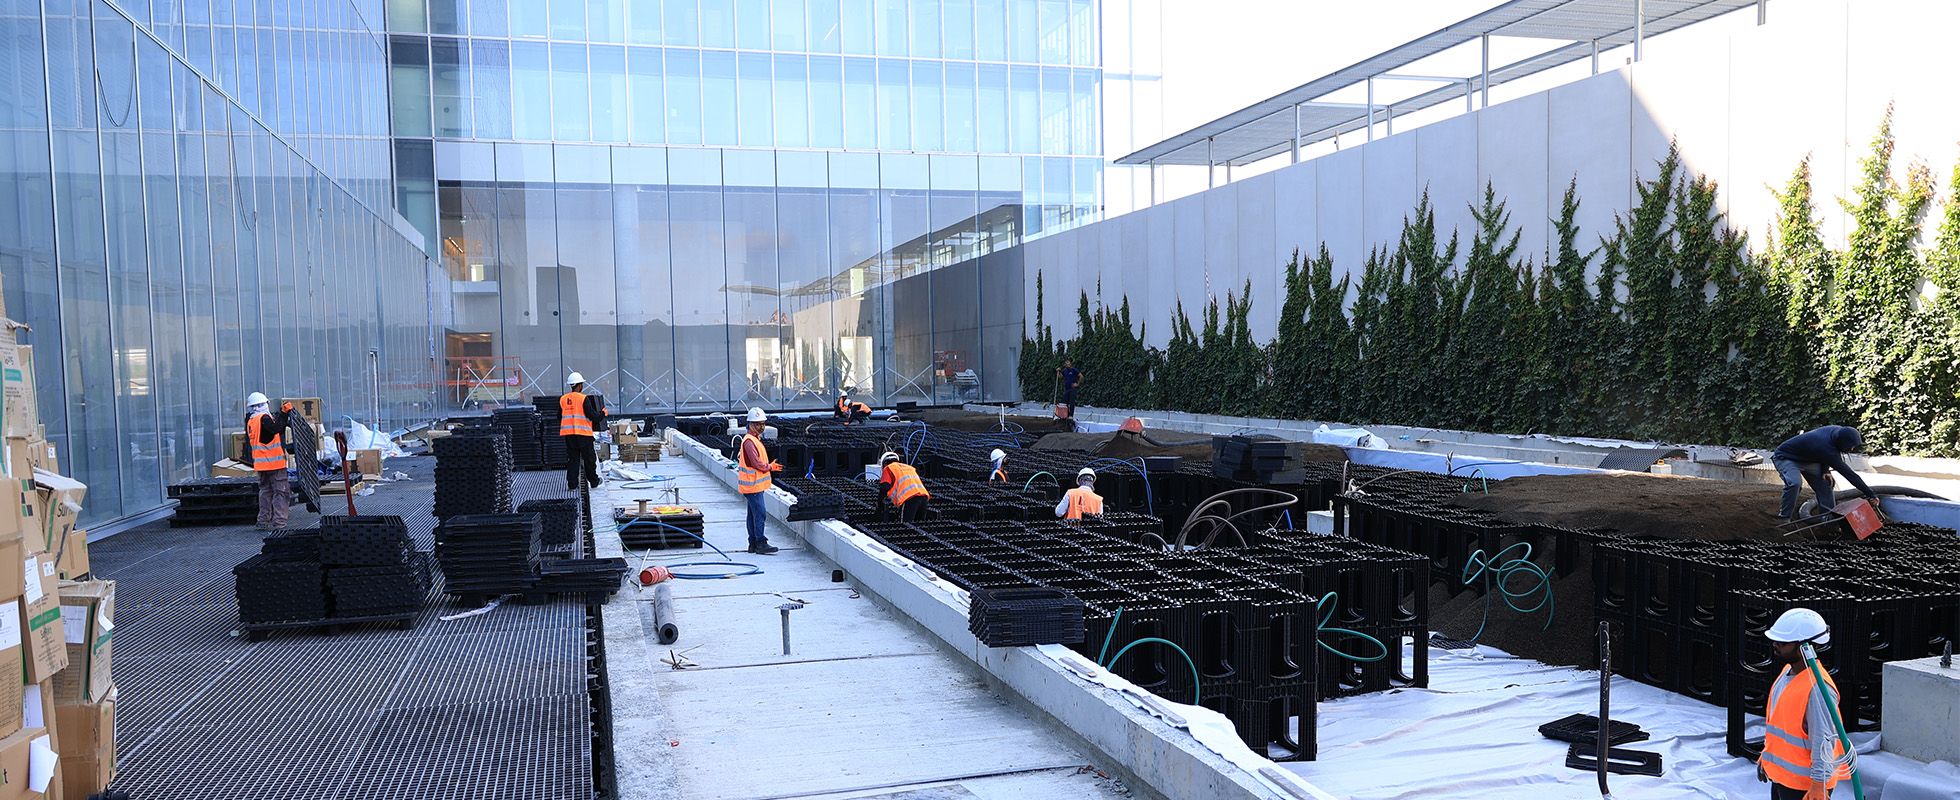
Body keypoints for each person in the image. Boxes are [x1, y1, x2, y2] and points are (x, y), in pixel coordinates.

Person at [1757, 608, 1852, 800]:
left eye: (1782, 642)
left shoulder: (1818, 690)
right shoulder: (1787, 673)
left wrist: (1819, 785)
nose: (1775, 645)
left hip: (1804, 786)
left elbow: (1824, 741)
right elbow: (1780, 727)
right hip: (1783, 779)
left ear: (1804, 647)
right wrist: (1767, 756)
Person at [1771, 426, 1877, 520]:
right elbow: (1849, 475)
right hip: (1786, 457)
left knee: (1826, 482)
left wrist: (1825, 470)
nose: (1852, 449)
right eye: (1850, 446)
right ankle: (1784, 517)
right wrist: (1871, 494)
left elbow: (1825, 452)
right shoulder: (1826, 446)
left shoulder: (1837, 433)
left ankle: (1827, 519)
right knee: (1795, 483)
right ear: (1841, 441)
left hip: (1810, 459)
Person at [245, 392, 296, 530]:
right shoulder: (264, 418)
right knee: (281, 492)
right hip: (274, 464)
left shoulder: (251, 421)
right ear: (264, 404)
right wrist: (284, 413)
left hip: (261, 464)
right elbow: (275, 429)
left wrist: (281, 419)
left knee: (265, 491)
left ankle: (263, 520)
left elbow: (271, 434)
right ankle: (279, 523)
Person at [737, 407, 783, 554]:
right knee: (760, 513)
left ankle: (753, 543)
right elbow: (756, 463)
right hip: (753, 486)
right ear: (750, 425)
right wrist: (771, 467)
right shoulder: (750, 442)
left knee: (752, 514)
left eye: (763, 424)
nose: (761, 427)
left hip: (753, 486)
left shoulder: (754, 440)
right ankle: (760, 542)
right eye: (758, 424)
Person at [560, 372, 607, 492]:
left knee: (573, 460)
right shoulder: (583, 398)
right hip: (584, 434)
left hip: (569, 435)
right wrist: (602, 414)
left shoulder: (563, 399)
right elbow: (592, 415)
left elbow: (559, 416)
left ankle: (572, 485)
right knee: (589, 459)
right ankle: (594, 481)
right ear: (580, 385)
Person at [878, 451, 930, 522]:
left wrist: (879, 504)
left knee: (905, 526)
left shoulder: (888, 468)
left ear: (884, 464)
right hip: (924, 497)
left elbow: (885, 487)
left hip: (909, 498)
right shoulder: (910, 468)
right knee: (919, 525)